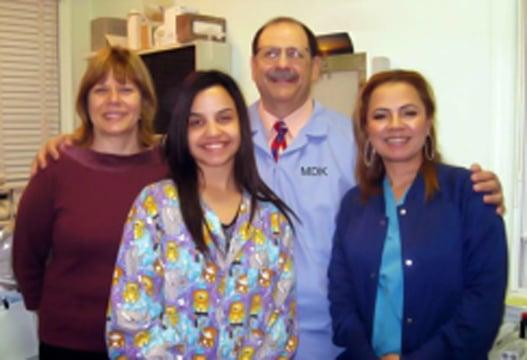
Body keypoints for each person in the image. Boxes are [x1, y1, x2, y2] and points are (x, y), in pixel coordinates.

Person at [32, 16, 506, 360]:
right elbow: (137, 150)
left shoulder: (351, 140)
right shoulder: (210, 150)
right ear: (254, 67)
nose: (282, 64)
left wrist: (471, 189)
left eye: (295, 53)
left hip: (324, 342)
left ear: (316, 67)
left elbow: (405, 188)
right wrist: (71, 143)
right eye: (270, 54)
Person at [105, 70, 297, 359]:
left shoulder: (272, 222)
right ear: (183, 131)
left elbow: (281, 328)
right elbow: (130, 321)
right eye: (197, 122)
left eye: (224, 118)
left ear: (242, 127)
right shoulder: (155, 207)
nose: (212, 132)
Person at [328, 69, 507, 359]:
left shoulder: (469, 193)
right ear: (367, 130)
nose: (395, 125)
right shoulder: (354, 203)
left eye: (409, 113)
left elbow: (483, 302)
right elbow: (341, 297)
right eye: (381, 115)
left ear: (428, 124)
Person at [12, 46, 168, 359]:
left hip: (152, 342)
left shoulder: (169, 168)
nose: (113, 100)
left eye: (126, 89)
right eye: (101, 90)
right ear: (86, 102)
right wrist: (48, 310)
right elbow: (26, 254)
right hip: (70, 342)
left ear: (144, 103)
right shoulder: (56, 168)